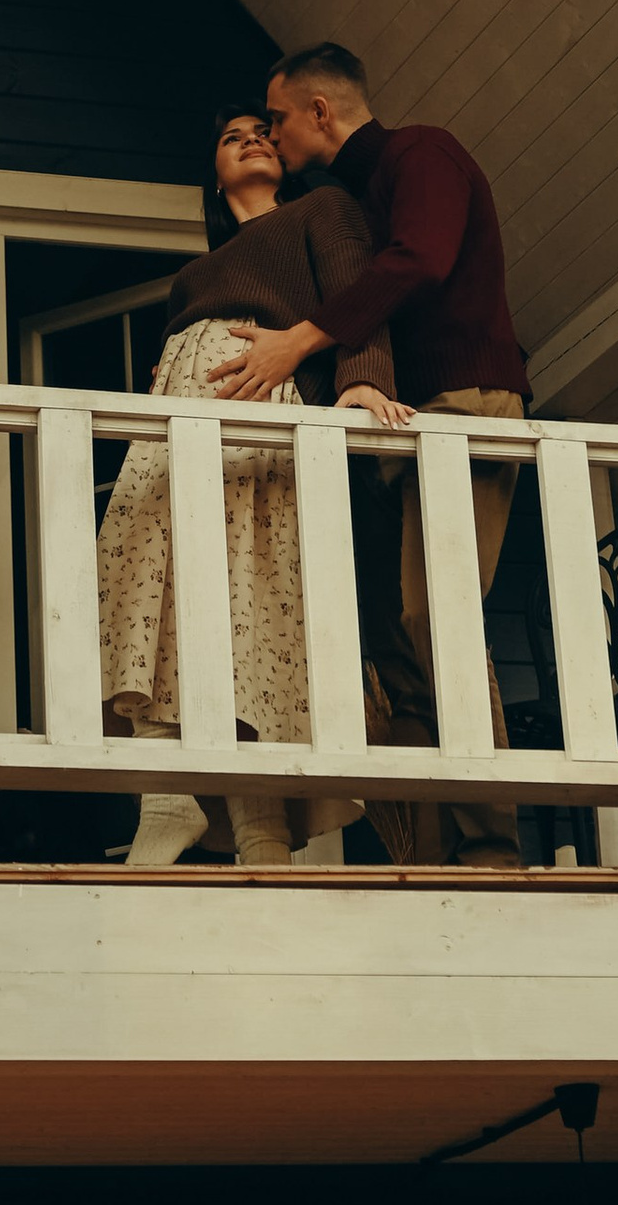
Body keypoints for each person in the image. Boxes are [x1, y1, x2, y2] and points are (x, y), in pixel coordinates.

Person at [211, 44, 529, 867]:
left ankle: (488, 846)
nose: (271, 136)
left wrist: (301, 342)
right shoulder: (344, 199)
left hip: (464, 404)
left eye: (277, 118)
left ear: (321, 111)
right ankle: (424, 845)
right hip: (403, 422)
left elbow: (417, 259)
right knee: (395, 639)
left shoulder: (420, 153)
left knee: (437, 617)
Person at [96, 108, 406, 868]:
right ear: (214, 173)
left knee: (251, 605)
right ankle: (167, 797)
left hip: (257, 405)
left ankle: (263, 835)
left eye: (263, 130)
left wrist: (364, 381)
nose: (252, 137)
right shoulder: (193, 275)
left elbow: (356, 297)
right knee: (162, 588)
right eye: (232, 135)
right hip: (181, 408)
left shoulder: (321, 210)